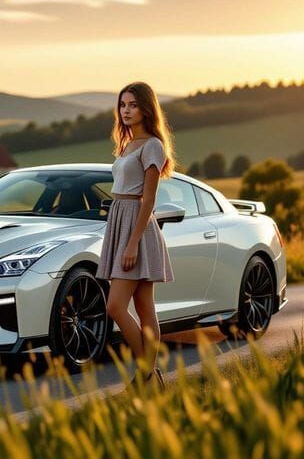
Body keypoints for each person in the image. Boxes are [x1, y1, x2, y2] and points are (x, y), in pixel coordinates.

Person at [96, 81, 175, 392]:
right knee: (144, 307)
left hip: (137, 226)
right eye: (122, 105)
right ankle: (151, 379)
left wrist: (131, 243)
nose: (126, 111)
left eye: (132, 105)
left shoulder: (152, 145)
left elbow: (149, 199)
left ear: (146, 109)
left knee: (115, 306)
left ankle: (144, 373)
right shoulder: (126, 145)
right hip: (119, 219)